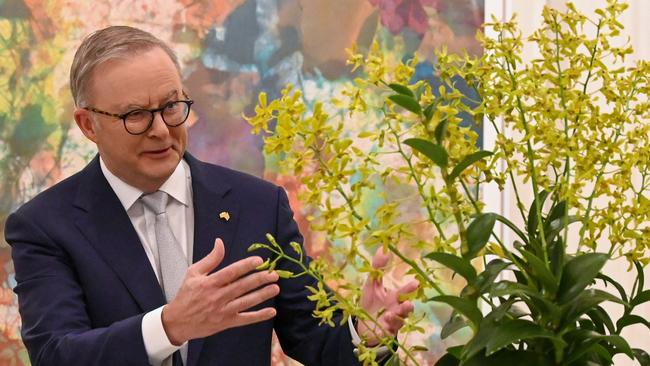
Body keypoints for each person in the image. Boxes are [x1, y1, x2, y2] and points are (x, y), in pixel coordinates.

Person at [4, 26, 417, 366]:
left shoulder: (257, 205)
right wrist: (169, 326)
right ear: (88, 124)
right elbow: (57, 355)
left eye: (171, 106)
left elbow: (316, 340)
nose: (162, 130)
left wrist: (366, 334)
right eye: (135, 116)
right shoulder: (45, 226)